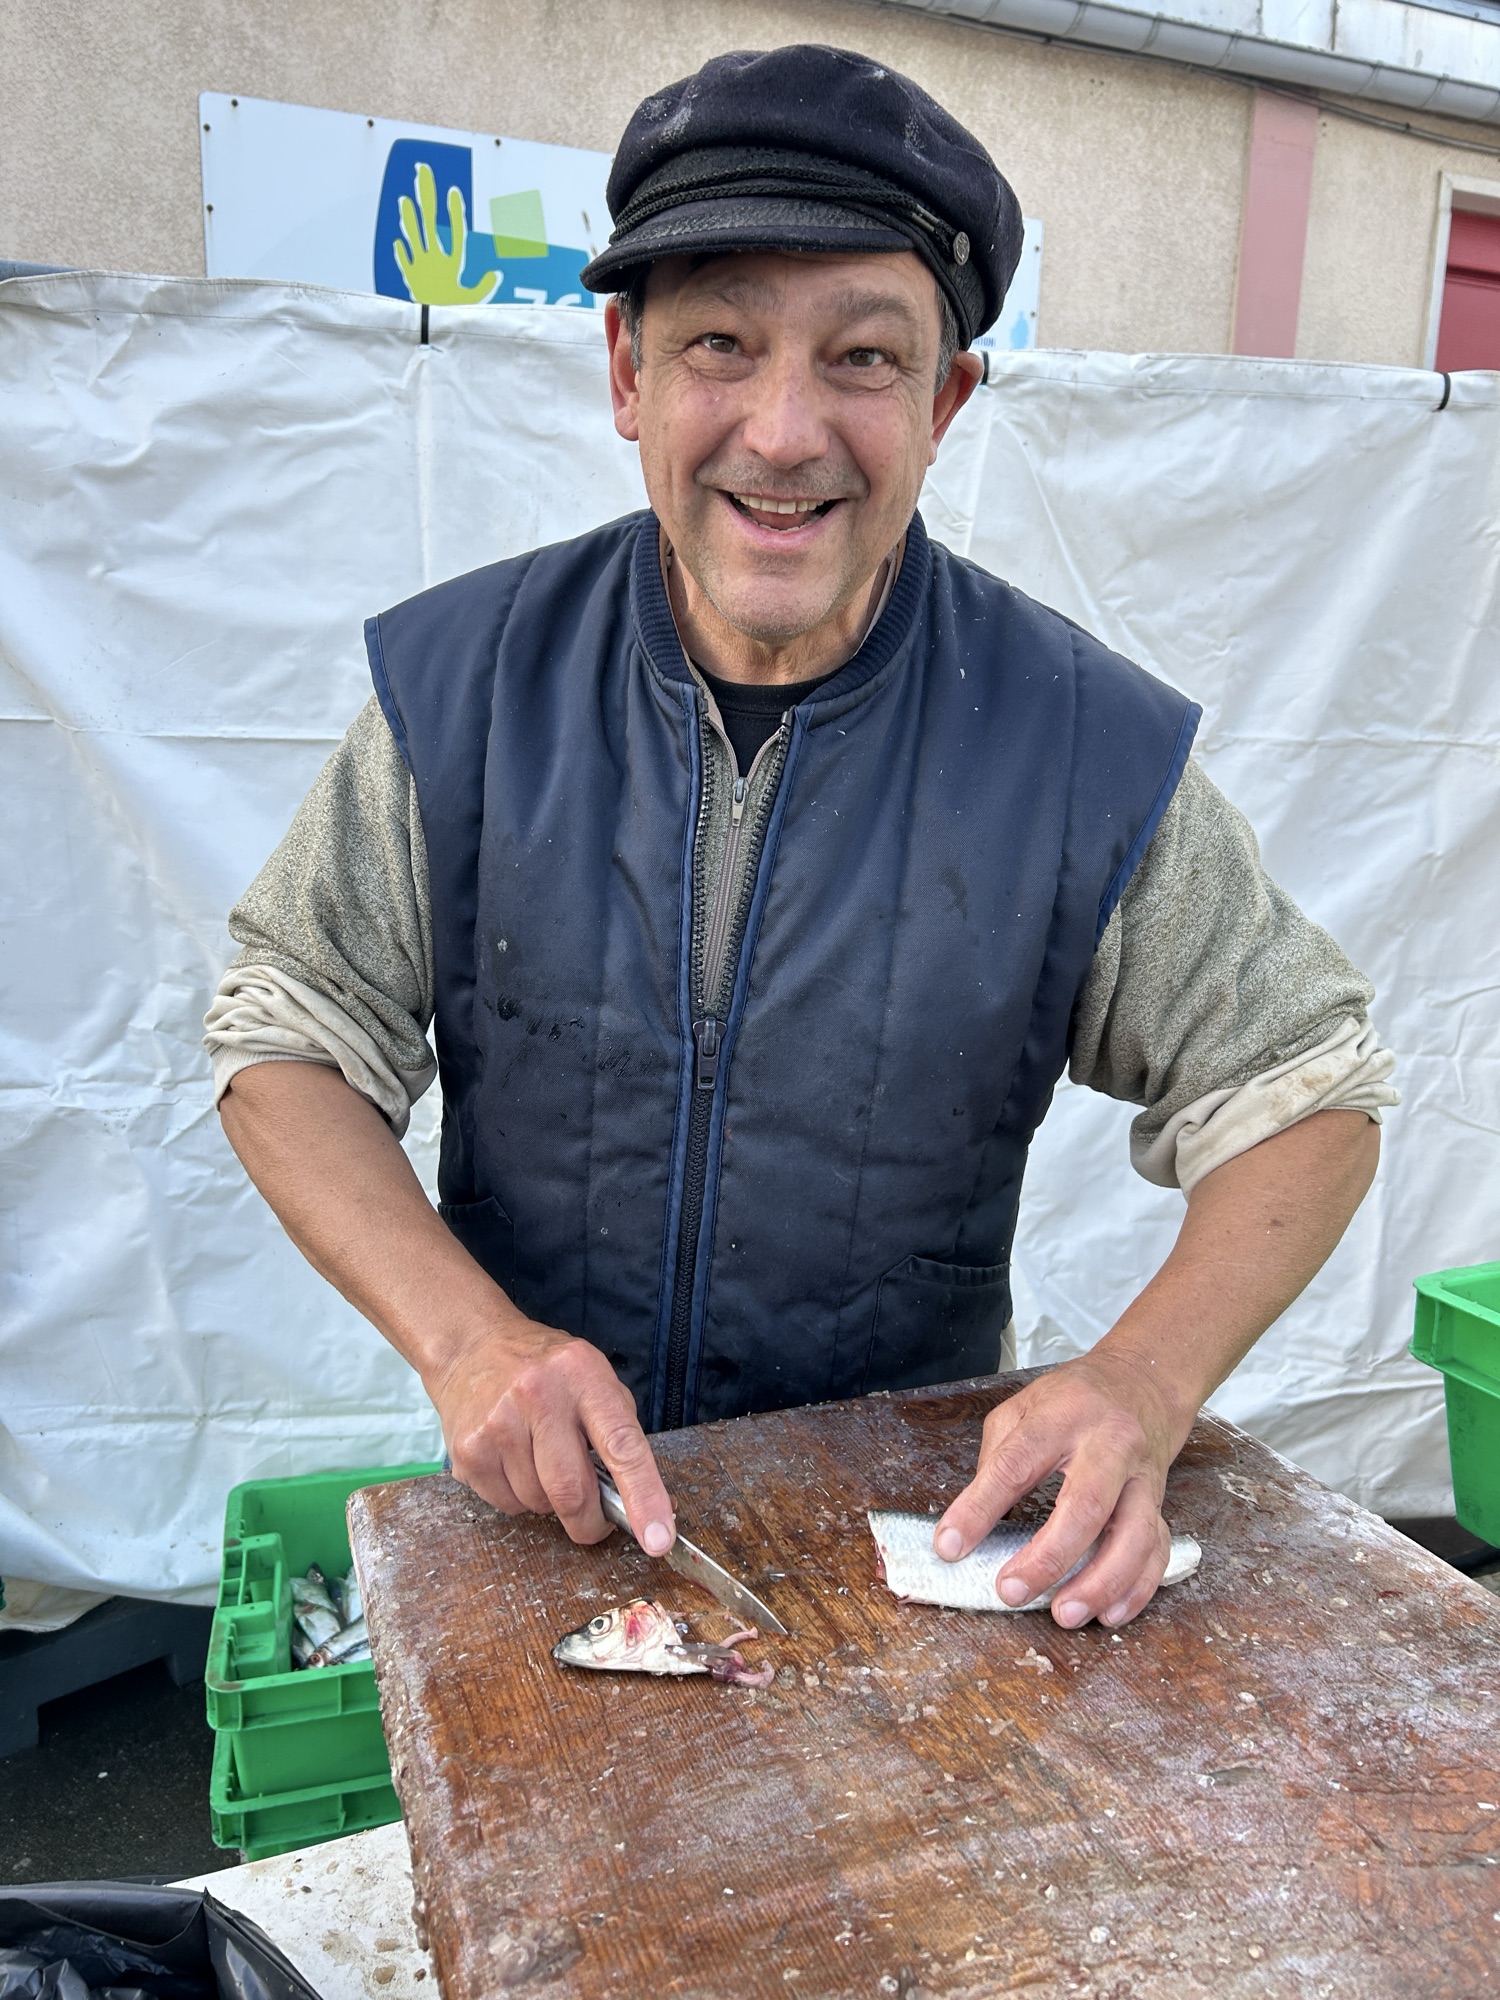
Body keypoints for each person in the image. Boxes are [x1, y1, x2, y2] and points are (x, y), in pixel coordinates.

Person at [205, 45, 1397, 1630]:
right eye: (721, 342)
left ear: (944, 401)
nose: (782, 432)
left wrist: (1143, 1384)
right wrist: (466, 1342)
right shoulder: (468, 688)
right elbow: (288, 1034)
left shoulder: (1078, 744)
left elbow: (1306, 1089)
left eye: (863, 357)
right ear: (627, 371)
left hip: (911, 1561)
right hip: (545, 1533)